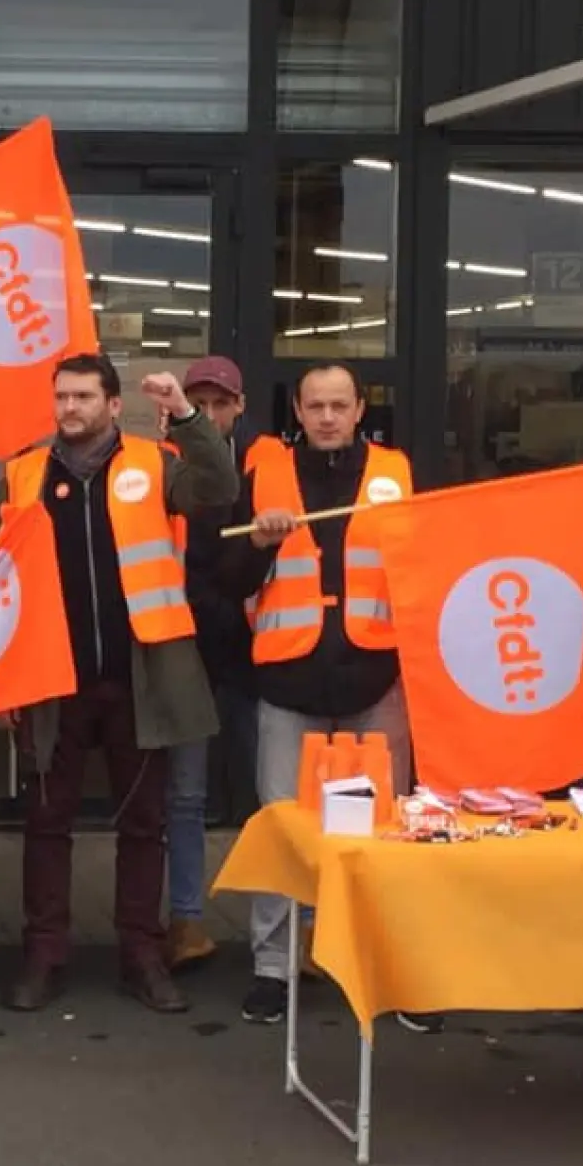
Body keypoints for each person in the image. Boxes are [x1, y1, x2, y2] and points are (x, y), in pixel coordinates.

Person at [0, 355, 237, 1015]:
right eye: (61, 396)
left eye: (82, 396)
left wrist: (185, 415)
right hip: (53, 679)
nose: (69, 407)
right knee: (47, 823)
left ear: (111, 405)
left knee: (144, 823)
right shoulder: (21, 474)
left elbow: (219, 488)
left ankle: (142, 955)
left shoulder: (156, 463)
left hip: (140, 676)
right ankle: (44, 955)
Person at [219, 362, 429, 1032]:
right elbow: (229, 578)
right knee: (284, 831)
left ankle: (388, 968)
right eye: (316, 406)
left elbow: (428, 566)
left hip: (375, 678)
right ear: (299, 412)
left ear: (361, 408)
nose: (329, 417)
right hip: (290, 681)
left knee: (384, 834)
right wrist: (259, 542)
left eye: (340, 405)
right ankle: (273, 969)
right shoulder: (265, 475)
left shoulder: (397, 473)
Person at [165, 355, 279, 971]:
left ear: (239, 407)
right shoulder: (158, 467)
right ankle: (186, 922)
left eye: (220, 404)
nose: (209, 414)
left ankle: (289, 932)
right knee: (185, 795)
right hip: (184, 652)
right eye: (199, 403)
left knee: (272, 799)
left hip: (257, 653)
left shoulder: (271, 469)